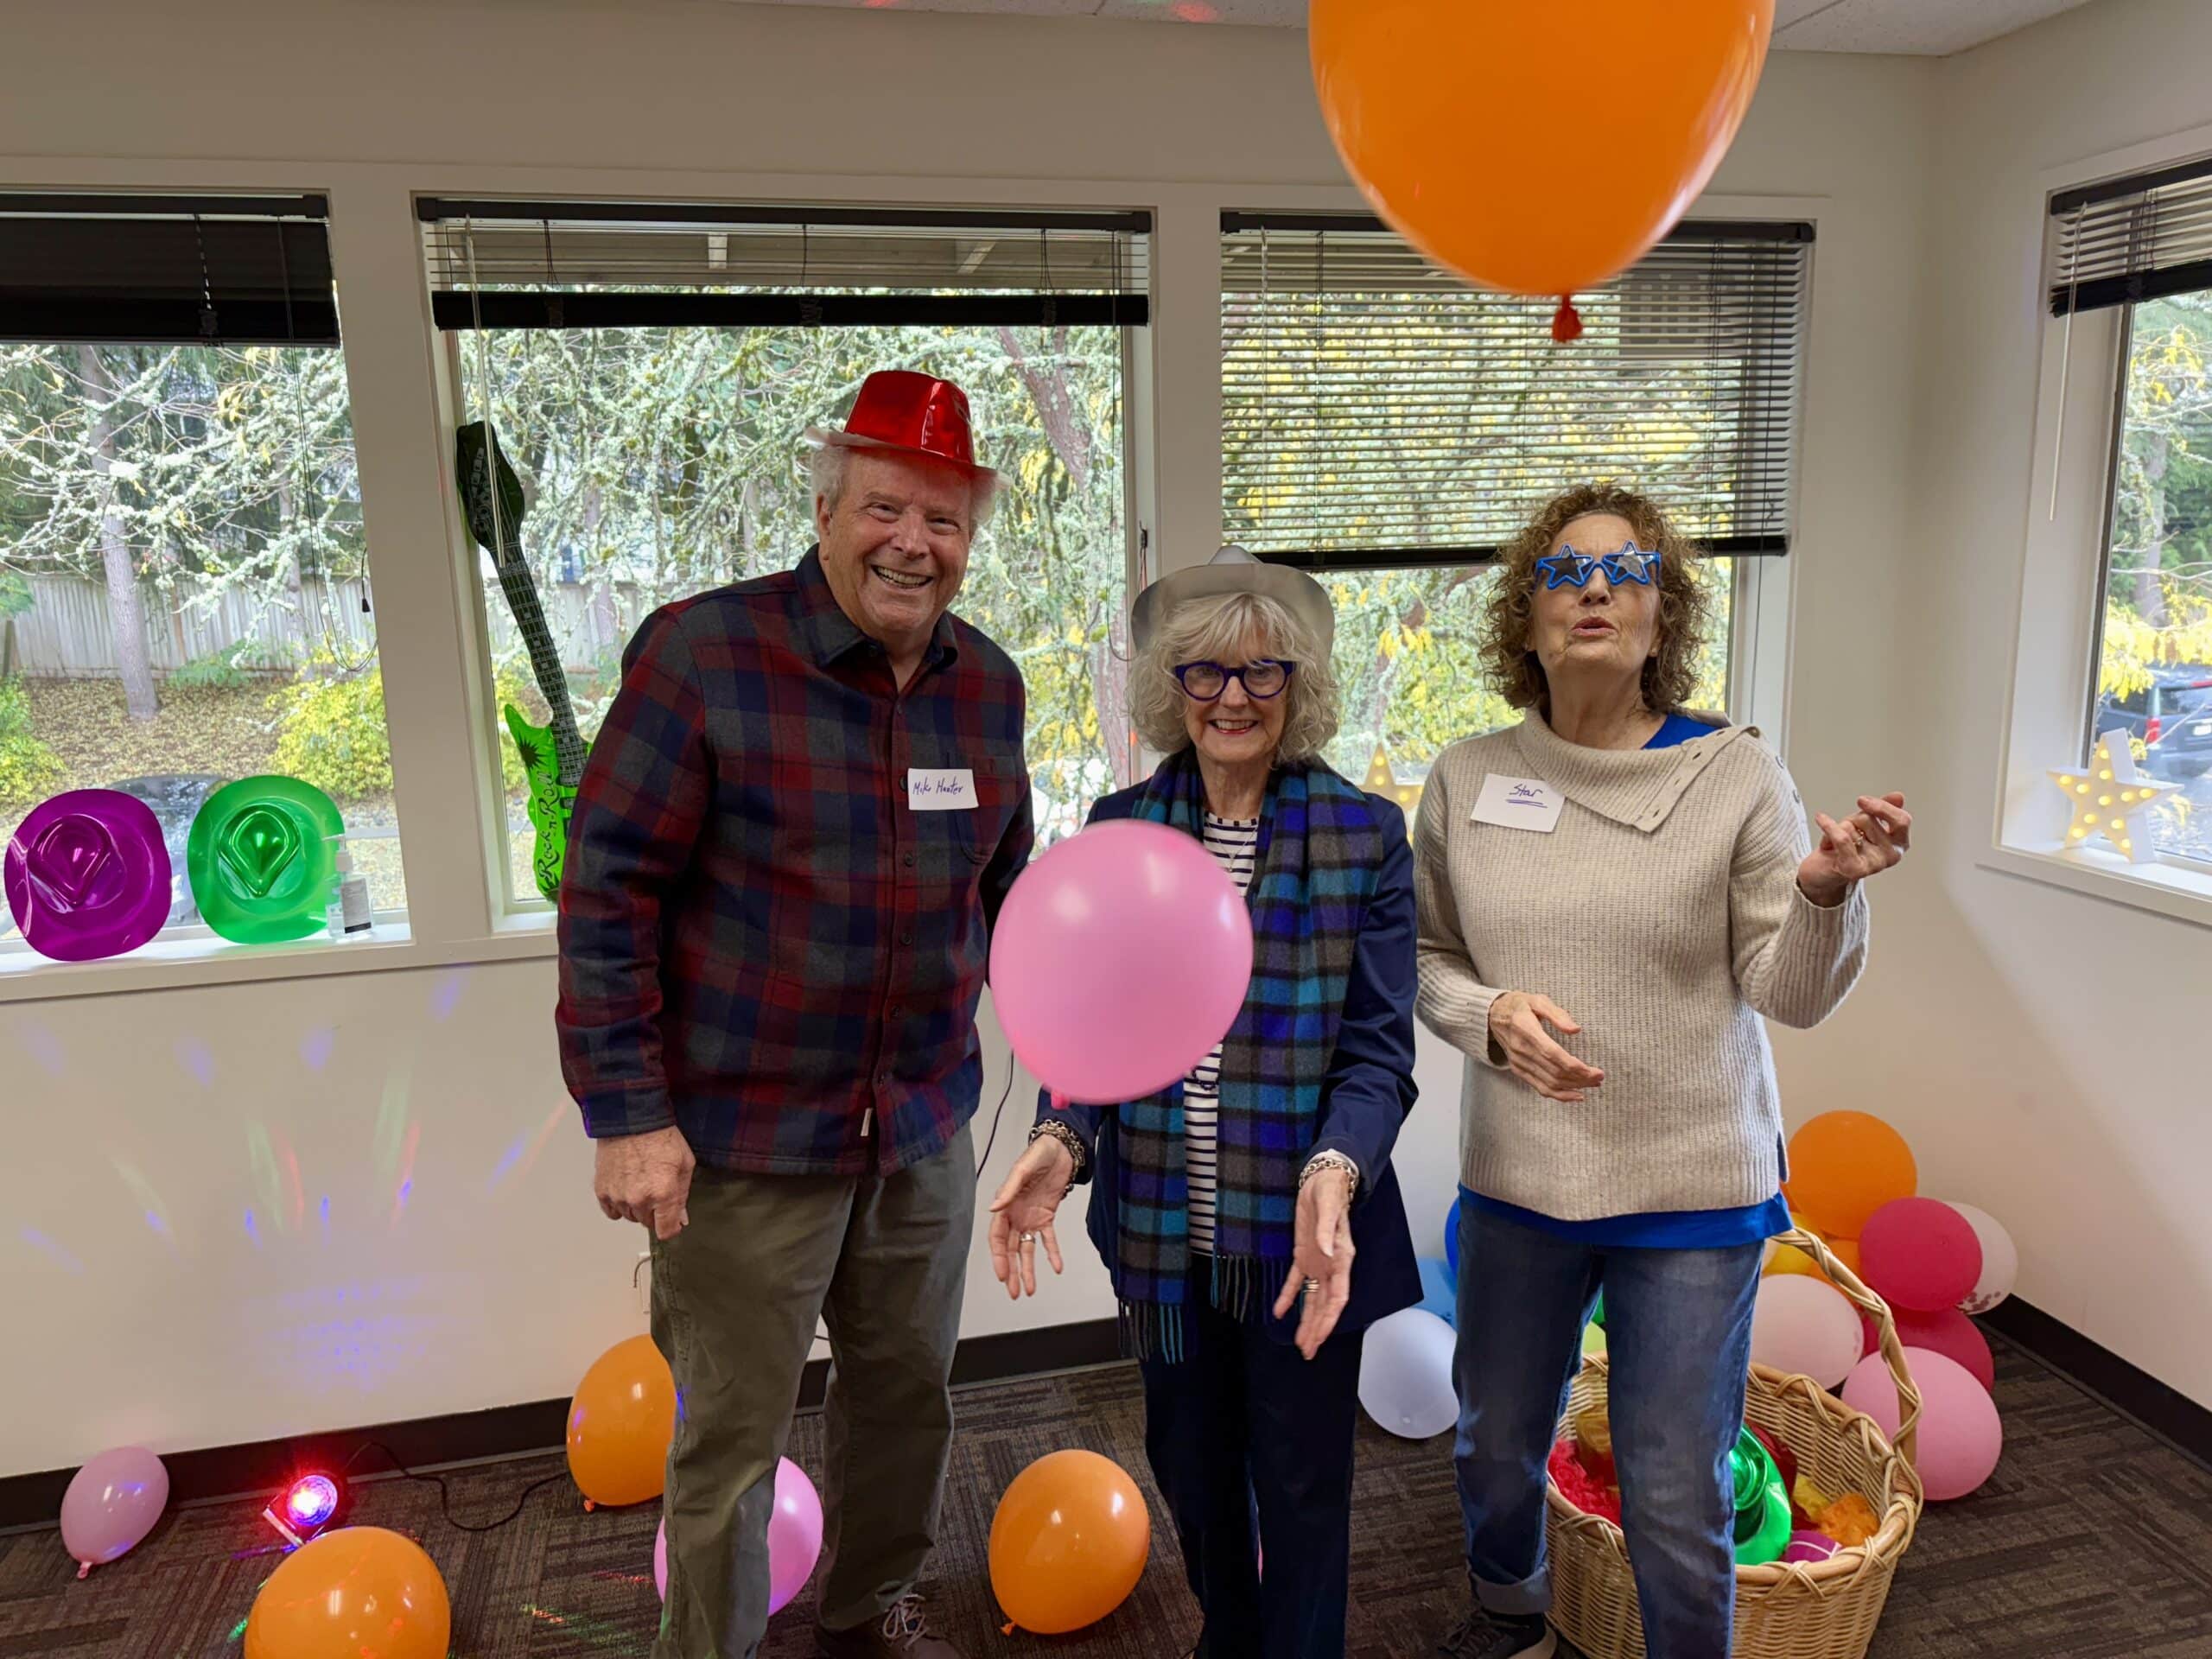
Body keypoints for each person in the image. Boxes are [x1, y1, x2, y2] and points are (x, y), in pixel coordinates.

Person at [556, 370, 1034, 1659]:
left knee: (905, 1401)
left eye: (943, 520)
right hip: (744, 1141)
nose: (912, 544)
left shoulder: (987, 688)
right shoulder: (705, 655)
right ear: (825, 508)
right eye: (886, 507)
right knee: (731, 1434)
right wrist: (628, 1113)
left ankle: (867, 1608)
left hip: (920, 1129)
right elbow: (609, 892)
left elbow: (1007, 895)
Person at [1417, 484, 1910, 1659]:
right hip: (1522, 1181)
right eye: (1564, 573)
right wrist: (1489, 1014)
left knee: (1676, 1484)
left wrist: (1827, 893)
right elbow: (1424, 959)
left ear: (1661, 614)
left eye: (1625, 571)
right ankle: (1510, 1615)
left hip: (1693, 1190)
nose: (1593, 588)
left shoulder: (1734, 773)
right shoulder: (1466, 779)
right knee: (1493, 1439)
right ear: (1525, 619)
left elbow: (1788, 990)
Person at [988, 545, 1421, 1659]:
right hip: (1162, 1232)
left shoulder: (1365, 834)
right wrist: (1057, 1138)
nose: (1233, 696)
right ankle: (1231, 1636)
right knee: (1190, 1465)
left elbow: (1378, 1054)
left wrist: (1336, 1169)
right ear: (1171, 690)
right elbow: (1093, 1031)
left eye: (1261, 672)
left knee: (1304, 1476)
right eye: (1206, 673)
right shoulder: (1121, 826)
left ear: (1298, 687)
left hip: (1299, 1233)